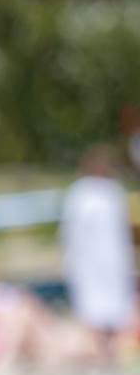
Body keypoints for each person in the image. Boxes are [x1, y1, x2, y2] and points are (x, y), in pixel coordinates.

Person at [61, 147, 136, 351]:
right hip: (89, 262)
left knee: (116, 308)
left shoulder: (112, 192)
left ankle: (114, 348)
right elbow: (72, 233)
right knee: (92, 310)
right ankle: (97, 347)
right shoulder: (81, 193)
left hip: (112, 260)